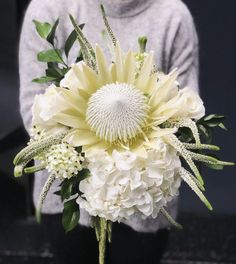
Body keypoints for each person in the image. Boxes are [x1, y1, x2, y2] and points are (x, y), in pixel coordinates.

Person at [19, 0, 199, 263]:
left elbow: (186, 113)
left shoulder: (174, 16)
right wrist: (107, 164)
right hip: (65, 201)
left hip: (146, 203)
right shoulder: (48, 8)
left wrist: (129, 166)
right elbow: (34, 112)